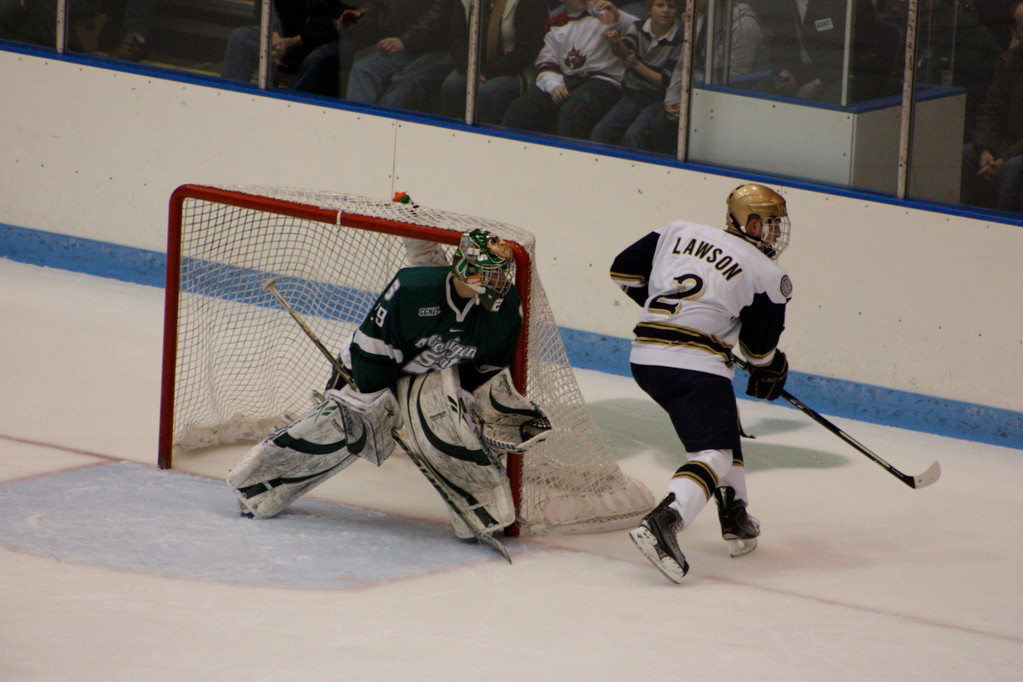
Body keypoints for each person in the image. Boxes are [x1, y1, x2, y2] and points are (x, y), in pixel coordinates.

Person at [226, 229, 551, 543]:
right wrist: (374, 399)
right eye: (491, 272)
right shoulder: (412, 290)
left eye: (502, 272)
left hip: (428, 375)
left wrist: (469, 397)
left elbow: (488, 364)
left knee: (451, 432)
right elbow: (372, 346)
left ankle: (479, 511)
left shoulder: (505, 310)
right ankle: (258, 484)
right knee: (346, 428)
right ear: (467, 269)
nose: (500, 281)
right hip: (373, 369)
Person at [610, 183, 793, 584]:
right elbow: (758, 352)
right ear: (750, 223)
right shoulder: (769, 274)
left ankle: (735, 512)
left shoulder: (675, 231)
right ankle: (665, 520)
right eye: (770, 223)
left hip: (645, 358)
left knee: (722, 427)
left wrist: (673, 315)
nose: (777, 233)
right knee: (714, 452)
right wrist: (773, 367)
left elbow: (622, 271)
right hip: (693, 366)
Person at [633, 0, 767, 154]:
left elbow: (737, 78)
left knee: (663, 126)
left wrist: (690, 84)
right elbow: (682, 65)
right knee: (659, 123)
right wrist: (672, 99)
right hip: (697, 95)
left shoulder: (745, 26)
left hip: (730, 105)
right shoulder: (700, 18)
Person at [500, 0, 639, 140]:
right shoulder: (556, 24)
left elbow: (638, 28)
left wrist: (617, 14)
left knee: (573, 111)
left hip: (604, 80)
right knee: (520, 109)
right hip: (569, 79)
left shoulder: (601, 15)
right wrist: (554, 85)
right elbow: (546, 63)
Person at [589, 0, 684, 146]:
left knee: (634, 135)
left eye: (671, 6)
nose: (665, 10)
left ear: (676, 12)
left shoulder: (680, 39)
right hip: (632, 94)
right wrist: (615, 42)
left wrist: (636, 65)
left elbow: (665, 83)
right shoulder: (638, 27)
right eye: (660, 5)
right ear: (649, 9)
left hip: (658, 99)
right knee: (601, 131)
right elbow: (625, 53)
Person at [439, 0, 549, 124]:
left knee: (489, 92)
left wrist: (487, 73)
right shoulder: (467, 2)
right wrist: (468, 68)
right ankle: (455, 133)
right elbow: (457, 39)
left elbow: (527, 50)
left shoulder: (530, 3)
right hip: (474, 66)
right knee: (452, 85)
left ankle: (489, 134)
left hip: (517, 69)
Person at [962, 0, 1023, 211]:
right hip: (1008, 144)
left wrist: (1005, 158)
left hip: (1015, 153)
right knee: (966, 156)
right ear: (1014, 32)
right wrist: (984, 148)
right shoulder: (1009, 62)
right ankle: (965, 217)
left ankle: (1001, 223)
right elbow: (991, 108)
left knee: (1013, 169)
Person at [343, 0, 454, 111]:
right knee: (363, 69)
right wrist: (360, 15)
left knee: (407, 79)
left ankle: (385, 118)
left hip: (443, 50)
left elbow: (438, 16)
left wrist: (406, 41)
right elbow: (376, 4)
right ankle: (358, 117)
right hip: (409, 47)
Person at [220, 0, 354, 84]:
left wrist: (299, 40)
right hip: (289, 35)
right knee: (242, 38)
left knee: (317, 59)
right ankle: (228, 102)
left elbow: (341, 19)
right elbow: (266, 5)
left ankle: (292, 105)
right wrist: (273, 33)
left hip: (330, 38)